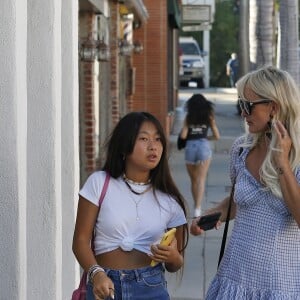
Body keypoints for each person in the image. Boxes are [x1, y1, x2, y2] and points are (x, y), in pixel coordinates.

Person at [191, 66, 300, 299]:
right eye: (239, 104)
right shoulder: (242, 149)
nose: (242, 113)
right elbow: (240, 201)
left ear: (274, 107)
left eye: (247, 105)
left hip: (280, 284)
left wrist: (282, 163)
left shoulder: (297, 157)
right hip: (235, 277)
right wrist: (212, 215)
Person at [72, 111, 189, 300]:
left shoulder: (169, 200)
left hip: (150, 287)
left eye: (158, 140)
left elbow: (175, 264)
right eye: (144, 139)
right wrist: (97, 273)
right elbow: (80, 241)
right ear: (124, 147)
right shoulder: (99, 183)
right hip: (104, 287)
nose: (153, 146)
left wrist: (173, 256)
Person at [179, 94, 220, 218]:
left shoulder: (188, 117)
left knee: (194, 180)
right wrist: (206, 137)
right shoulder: (209, 117)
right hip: (203, 147)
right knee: (201, 179)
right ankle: (198, 208)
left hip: (190, 148)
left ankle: (195, 205)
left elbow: (183, 136)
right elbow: (217, 136)